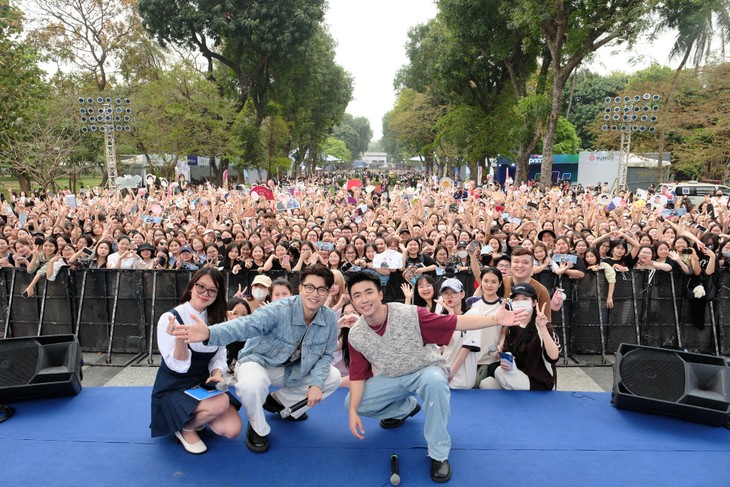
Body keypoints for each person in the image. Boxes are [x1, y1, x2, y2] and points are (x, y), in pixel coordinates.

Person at [343, 271, 527, 483]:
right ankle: (406, 408)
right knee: (353, 404)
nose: (364, 299)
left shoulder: (410, 313)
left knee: (435, 381)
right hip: (394, 377)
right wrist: (354, 411)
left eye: (368, 292)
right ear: (353, 301)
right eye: (357, 295)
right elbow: (357, 377)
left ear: (381, 294)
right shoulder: (356, 335)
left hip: (426, 370)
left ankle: (439, 453)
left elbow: (454, 322)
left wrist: (495, 319)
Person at [176, 263, 342, 453]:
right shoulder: (280, 309)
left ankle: (281, 402)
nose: (315, 294)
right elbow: (246, 325)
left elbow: (326, 355)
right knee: (251, 385)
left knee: (332, 376)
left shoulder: (328, 318)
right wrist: (209, 333)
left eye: (322, 289)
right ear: (300, 288)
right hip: (258, 361)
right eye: (310, 287)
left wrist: (316, 384)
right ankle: (258, 427)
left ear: (328, 292)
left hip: (293, 369)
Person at [150, 268, 242, 454]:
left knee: (232, 430)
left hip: (201, 383)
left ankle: (197, 415)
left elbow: (219, 354)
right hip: (174, 386)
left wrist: (217, 373)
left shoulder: (217, 318)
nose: (205, 294)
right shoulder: (170, 318)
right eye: (201, 287)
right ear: (192, 287)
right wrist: (180, 339)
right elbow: (178, 367)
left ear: (217, 295)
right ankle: (186, 427)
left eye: (212, 290)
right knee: (221, 402)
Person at [480, 283, 561, 391]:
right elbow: (507, 353)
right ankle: (515, 402)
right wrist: (504, 360)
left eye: (525, 299)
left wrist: (543, 328)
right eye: (516, 300)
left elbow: (554, 357)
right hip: (516, 376)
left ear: (534, 302)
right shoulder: (512, 325)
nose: (520, 303)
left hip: (539, 383)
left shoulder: (544, 326)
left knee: (499, 372)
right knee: (486, 384)